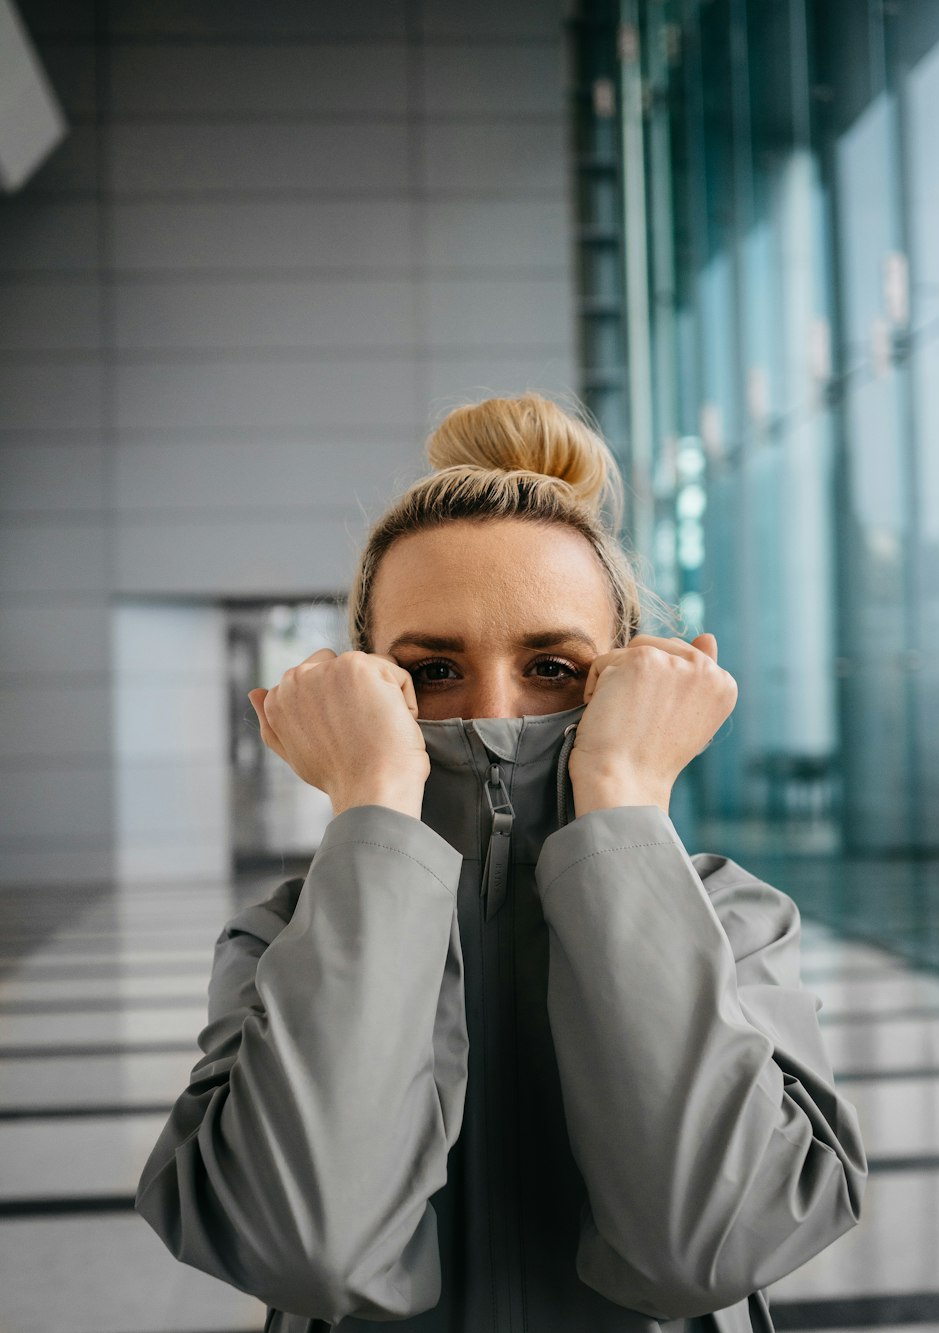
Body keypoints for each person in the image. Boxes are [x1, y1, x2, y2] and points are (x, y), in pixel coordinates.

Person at [134, 392, 867, 1333]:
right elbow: (301, 1246)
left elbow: (707, 1248)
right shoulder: (283, 932)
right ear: (373, 686)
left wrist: (624, 795)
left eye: (552, 666)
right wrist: (372, 807)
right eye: (434, 671)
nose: (495, 709)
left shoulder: (731, 917)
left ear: (622, 676)